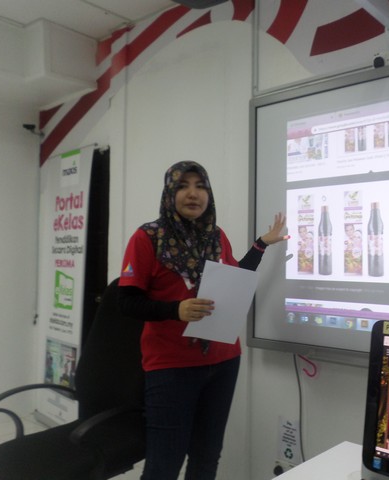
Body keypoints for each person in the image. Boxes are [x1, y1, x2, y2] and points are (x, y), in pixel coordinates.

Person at [118, 161, 288, 480]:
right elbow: (126, 302)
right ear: (170, 192)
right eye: (183, 185)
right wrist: (176, 310)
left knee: (207, 459)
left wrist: (261, 244)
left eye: (200, 186)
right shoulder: (148, 237)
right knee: (164, 465)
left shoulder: (215, 236)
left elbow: (234, 277)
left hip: (223, 361)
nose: (193, 194)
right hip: (171, 366)